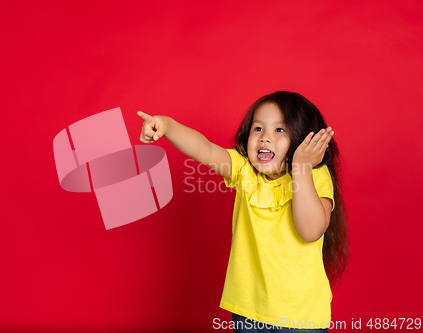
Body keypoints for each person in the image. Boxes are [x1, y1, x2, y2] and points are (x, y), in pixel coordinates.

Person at [137, 91, 348, 332]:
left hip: (300, 314)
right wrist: (168, 125)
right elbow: (204, 149)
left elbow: (310, 231)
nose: (264, 138)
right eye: (258, 129)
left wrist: (301, 167)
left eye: (279, 130)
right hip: (249, 311)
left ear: (304, 140)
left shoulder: (314, 175)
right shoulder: (244, 170)